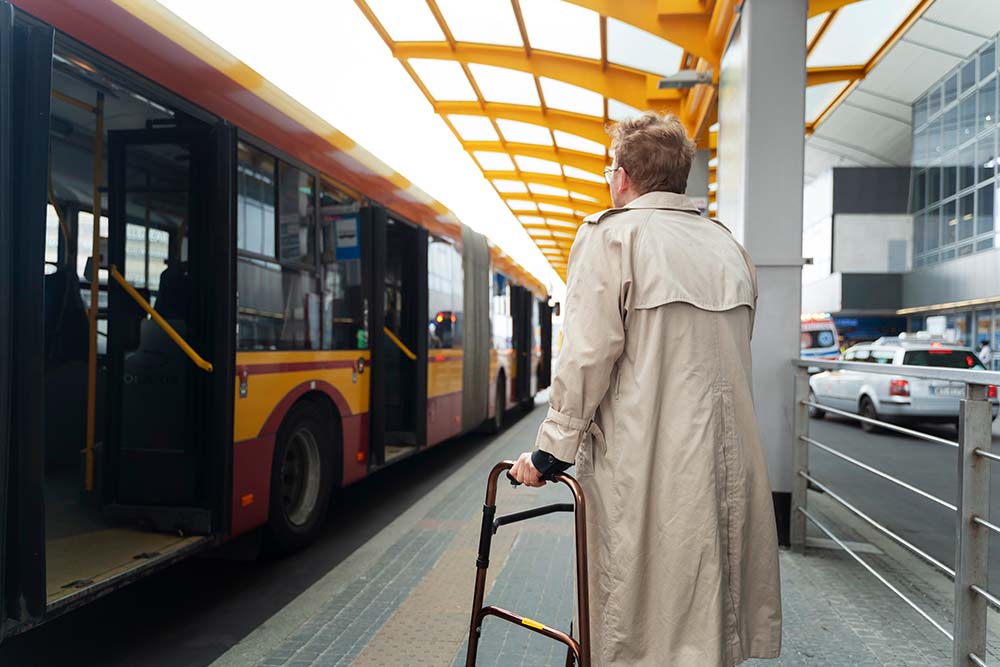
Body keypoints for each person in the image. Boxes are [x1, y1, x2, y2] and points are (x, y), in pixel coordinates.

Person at [509, 112, 781, 666]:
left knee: (631, 620)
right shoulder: (728, 247)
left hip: (645, 461)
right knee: (708, 614)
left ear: (624, 177)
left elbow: (588, 354)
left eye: (612, 169)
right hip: (726, 467)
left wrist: (549, 453)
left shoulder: (613, 236)